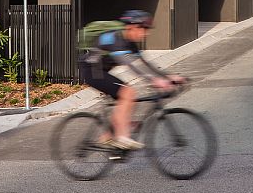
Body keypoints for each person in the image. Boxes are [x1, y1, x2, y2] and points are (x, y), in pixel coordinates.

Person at [79, 9, 185, 150]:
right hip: (92, 71)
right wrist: (155, 80)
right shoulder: (116, 40)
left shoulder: (130, 42)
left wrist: (167, 76)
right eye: (143, 28)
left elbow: (144, 64)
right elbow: (133, 66)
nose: (146, 33)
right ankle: (122, 138)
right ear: (131, 27)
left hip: (102, 71)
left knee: (128, 99)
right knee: (128, 93)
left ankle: (108, 136)